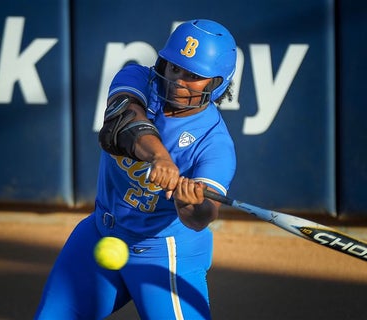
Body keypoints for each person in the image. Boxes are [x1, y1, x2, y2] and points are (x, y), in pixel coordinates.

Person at [35, 19, 238, 319]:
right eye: (174, 67)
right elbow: (122, 123)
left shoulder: (215, 146)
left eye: (193, 75)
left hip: (165, 255)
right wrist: (160, 157)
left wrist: (190, 205)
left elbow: (202, 216)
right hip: (101, 233)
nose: (179, 80)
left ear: (216, 83)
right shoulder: (137, 78)